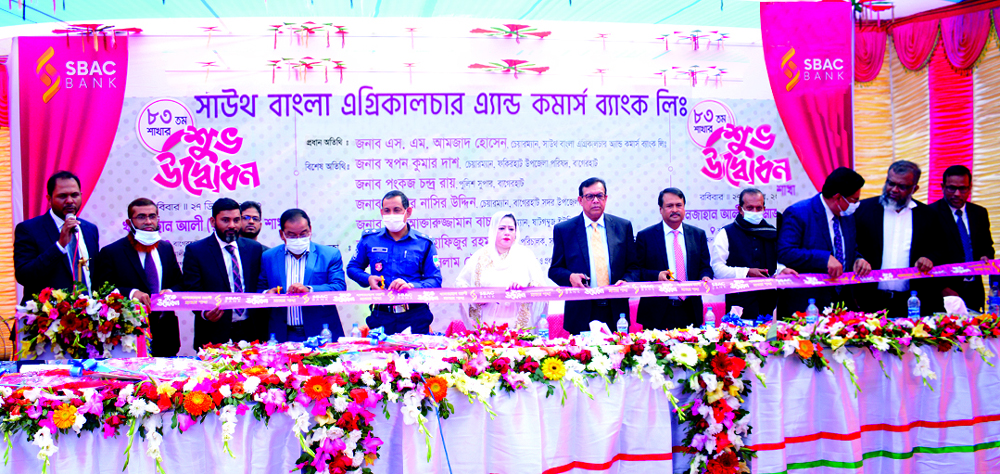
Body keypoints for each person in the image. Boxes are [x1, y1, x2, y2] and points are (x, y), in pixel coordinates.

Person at [93, 198, 182, 356]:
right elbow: (101, 290)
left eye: (152, 216)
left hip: (166, 334)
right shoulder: (112, 252)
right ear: (129, 222)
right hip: (129, 337)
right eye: (141, 217)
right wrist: (132, 293)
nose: (148, 222)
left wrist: (170, 292)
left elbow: (180, 283)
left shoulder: (166, 248)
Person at [777, 167, 872, 315]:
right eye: (854, 200)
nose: (857, 204)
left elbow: (850, 249)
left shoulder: (847, 216)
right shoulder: (799, 213)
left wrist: (858, 260)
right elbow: (785, 252)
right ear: (838, 197)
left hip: (842, 304)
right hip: (808, 304)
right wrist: (824, 258)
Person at [549, 178, 637, 334]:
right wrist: (570, 277)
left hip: (616, 312)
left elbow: (634, 267)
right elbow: (554, 270)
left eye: (600, 196)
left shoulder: (622, 227)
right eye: (590, 196)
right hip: (581, 312)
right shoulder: (565, 230)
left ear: (606, 198)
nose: (595, 201)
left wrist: (626, 281)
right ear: (580, 200)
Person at [347, 190, 442, 334]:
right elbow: (352, 268)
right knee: (380, 350)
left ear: (408, 212)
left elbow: (435, 280)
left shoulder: (424, 243)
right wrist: (368, 279)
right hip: (381, 315)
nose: (391, 214)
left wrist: (411, 286)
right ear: (381, 212)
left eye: (397, 210)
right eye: (387, 210)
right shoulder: (370, 239)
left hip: (415, 316)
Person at [855, 161, 944, 317]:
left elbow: (940, 249)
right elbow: (850, 245)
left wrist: (929, 258)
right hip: (869, 300)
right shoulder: (863, 209)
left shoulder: (928, 215)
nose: (894, 190)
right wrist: (858, 259)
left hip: (912, 302)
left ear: (914, 189)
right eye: (890, 183)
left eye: (902, 186)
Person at [183, 198, 265, 349]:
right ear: (213, 222)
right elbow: (192, 290)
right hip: (214, 333)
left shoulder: (254, 248)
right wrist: (204, 313)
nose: (232, 225)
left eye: (236, 220)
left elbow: (259, 285)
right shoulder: (196, 251)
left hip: (250, 332)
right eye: (225, 220)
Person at [259, 209, 346, 342]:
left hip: (321, 331)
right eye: (292, 235)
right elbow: (259, 289)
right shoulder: (268, 257)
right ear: (282, 234)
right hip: (282, 333)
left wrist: (310, 290)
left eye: (303, 233)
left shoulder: (329, 254)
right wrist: (267, 294)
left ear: (310, 230)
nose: (298, 239)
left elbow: (339, 287)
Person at [711, 188, 797, 322]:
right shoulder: (726, 233)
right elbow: (717, 269)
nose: (755, 212)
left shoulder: (771, 233)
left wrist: (781, 270)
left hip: (770, 308)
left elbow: (776, 263)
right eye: (750, 208)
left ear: (764, 209)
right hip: (738, 311)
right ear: (740, 209)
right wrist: (746, 272)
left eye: (758, 208)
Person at [455, 211, 552, 329]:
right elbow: (461, 283)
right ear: (493, 230)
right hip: (487, 323)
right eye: (501, 228)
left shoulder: (525, 255)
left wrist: (524, 289)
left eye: (511, 229)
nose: (507, 232)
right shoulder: (480, 256)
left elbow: (540, 288)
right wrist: (476, 298)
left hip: (518, 324)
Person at [14, 171, 99, 303]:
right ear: (49, 199)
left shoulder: (90, 229)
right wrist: (59, 246)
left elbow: (94, 275)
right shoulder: (29, 229)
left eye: (74, 195)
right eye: (62, 196)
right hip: (48, 313)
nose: (70, 201)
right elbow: (24, 276)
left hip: (87, 312)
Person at [635, 188, 713, 329]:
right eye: (669, 206)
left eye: (679, 205)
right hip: (656, 313)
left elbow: (705, 267)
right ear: (661, 209)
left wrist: (705, 276)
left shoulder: (698, 235)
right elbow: (636, 271)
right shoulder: (645, 236)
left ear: (684, 208)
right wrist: (657, 275)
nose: (675, 210)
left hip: (690, 310)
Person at [931, 165, 995, 312]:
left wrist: (986, 256)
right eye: (951, 188)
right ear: (942, 187)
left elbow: (987, 246)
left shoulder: (979, 213)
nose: (957, 194)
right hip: (945, 293)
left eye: (963, 189)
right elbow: (924, 254)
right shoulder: (930, 213)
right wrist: (941, 288)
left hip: (974, 290)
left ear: (970, 188)